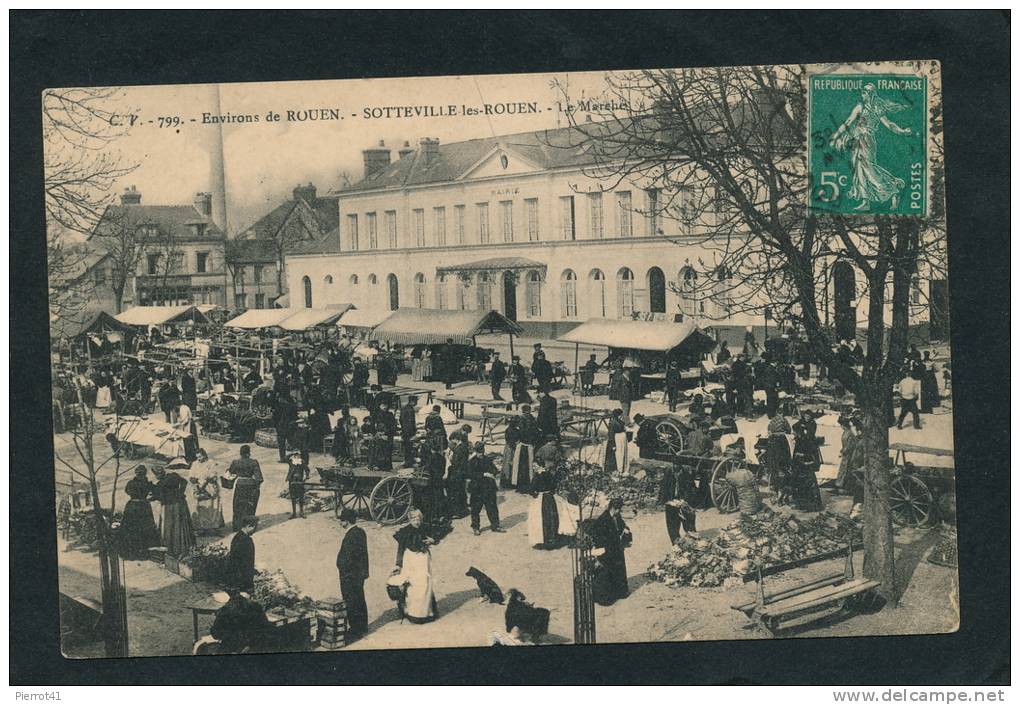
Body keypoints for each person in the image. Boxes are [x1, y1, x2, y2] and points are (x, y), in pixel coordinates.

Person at [391, 509, 438, 624]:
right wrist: (398, 564)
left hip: (423, 560)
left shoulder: (425, 528)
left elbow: (438, 534)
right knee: (413, 585)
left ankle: (426, 613)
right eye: (414, 519)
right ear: (410, 520)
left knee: (425, 584)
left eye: (418, 519)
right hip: (410, 560)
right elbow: (401, 549)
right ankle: (413, 613)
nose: (416, 522)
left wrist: (433, 540)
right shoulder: (405, 532)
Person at [526, 452, 576, 549]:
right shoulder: (549, 474)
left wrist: (534, 494)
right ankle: (552, 538)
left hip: (541, 499)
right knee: (551, 518)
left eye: (535, 466)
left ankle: (544, 539)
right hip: (550, 498)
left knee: (542, 518)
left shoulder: (538, 476)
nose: (533, 468)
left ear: (539, 466)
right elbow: (554, 486)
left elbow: (531, 489)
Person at [336, 508, 369, 641]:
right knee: (360, 598)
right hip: (359, 574)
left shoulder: (351, 536)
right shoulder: (360, 532)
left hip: (350, 575)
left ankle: (355, 629)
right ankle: (363, 626)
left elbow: (348, 558)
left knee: (351, 601)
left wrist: (341, 566)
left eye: (342, 521)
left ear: (347, 521)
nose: (341, 523)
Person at [591, 498, 632, 605]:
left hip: (616, 547)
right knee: (610, 570)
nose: (619, 512)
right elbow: (597, 534)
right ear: (613, 508)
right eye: (618, 509)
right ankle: (611, 594)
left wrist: (625, 529)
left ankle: (621, 592)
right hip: (608, 549)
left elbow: (622, 525)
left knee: (619, 569)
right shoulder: (603, 519)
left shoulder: (616, 516)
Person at [153, 460, 196, 558]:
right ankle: (185, 546)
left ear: (159, 474)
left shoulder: (160, 484)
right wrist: (180, 492)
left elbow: (159, 496)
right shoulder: (173, 475)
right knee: (181, 525)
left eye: (156, 475)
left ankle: (175, 548)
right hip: (180, 503)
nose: (156, 477)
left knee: (172, 526)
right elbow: (184, 482)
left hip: (170, 507)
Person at [210, 589, 272, 654]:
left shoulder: (225, 610)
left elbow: (215, 633)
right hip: (255, 646)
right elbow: (266, 627)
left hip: (233, 647)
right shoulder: (255, 605)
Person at [117, 465, 160, 560]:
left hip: (131, 506)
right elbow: (156, 491)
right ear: (145, 474)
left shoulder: (130, 483)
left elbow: (127, 491)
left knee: (130, 529)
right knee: (143, 529)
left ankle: (130, 552)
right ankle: (142, 552)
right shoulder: (147, 483)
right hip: (143, 506)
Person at [467, 441, 502, 536]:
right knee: (475, 509)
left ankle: (495, 525)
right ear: (475, 451)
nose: (481, 454)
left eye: (482, 451)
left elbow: (494, 469)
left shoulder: (487, 459)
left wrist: (493, 472)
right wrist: (483, 474)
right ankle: (476, 527)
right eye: (479, 452)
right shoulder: (472, 461)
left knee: (492, 507)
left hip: (488, 488)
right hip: (477, 489)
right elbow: (469, 474)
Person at [227, 445, 263, 531]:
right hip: (251, 485)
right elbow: (259, 477)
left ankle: (237, 526)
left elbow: (230, 473)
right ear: (249, 453)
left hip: (240, 484)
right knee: (250, 505)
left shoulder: (235, 462)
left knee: (238, 505)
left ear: (240, 453)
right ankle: (248, 526)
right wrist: (257, 486)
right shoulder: (254, 462)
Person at [189, 449, 225, 533]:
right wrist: (194, 481)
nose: (199, 459)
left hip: (210, 488)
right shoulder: (194, 464)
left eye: (200, 456)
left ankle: (212, 527)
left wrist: (206, 480)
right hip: (199, 488)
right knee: (201, 508)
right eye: (197, 457)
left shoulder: (211, 462)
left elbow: (214, 474)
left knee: (211, 507)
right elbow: (191, 475)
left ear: (204, 455)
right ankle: (201, 527)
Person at [790, 421, 824, 511]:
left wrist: (802, 455)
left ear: (799, 432)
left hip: (806, 467)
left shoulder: (806, 440)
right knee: (801, 486)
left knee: (807, 487)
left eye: (794, 432)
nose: (793, 433)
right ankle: (801, 504)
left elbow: (812, 455)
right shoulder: (798, 440)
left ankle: (810, 506)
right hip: (800, 467)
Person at [765, 411, 794, 505]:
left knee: (773, 467)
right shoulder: (784, 420)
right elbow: (789, 430)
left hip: (772, 442)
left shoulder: (772, 421)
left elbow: (768, 430)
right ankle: (782, 495)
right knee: (783, 465)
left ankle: (775, 491)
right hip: (781, 441)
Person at [510, 405, 540, 492]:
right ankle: (529, 484)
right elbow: (536, 432)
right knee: (529, 466)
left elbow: (519, 432)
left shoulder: (521, 419)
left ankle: (520, 486)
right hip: (530, 445)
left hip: (522, 445)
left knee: (520, 466)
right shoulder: (533, 419)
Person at [227, 515, 258, 592]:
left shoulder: (236, 537)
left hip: (236, 577)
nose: (255, 530)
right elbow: (247, 563)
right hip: (243, 581)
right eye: (254, 528)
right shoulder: (246, 541)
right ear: (249, 526)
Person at [446, 431, 470, 518]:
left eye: (452, 440)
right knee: (461, 491)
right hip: (462, 472)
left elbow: (455, 462)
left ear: (456, 439)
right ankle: (464, 509)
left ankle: (457, 512)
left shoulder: (458, 449)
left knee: (456, 492)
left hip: (457, 473)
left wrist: (450, 459)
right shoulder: (464, 447)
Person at [272, 386, 298, 464]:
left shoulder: (278, 404)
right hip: (290, 425)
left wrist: (275, 424)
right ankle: (296, 457)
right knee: (292, 441)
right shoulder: (292, 403)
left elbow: (275, 416)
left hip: (281, 426)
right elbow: (295, 415)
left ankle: (282, 458)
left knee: (281, 442)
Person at [603, 408, 628, 475]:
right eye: (620, 415)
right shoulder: (612, 423)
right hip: (615, 441)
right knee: (614, 456)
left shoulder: (620, 421)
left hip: (620, 441)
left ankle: (621, 468)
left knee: (621, 454)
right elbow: (611, 434)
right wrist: (613, 444)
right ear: (617, 415)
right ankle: (614, 470)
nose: (621, 416)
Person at [285, 452, 309, 519]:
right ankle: (294, 513)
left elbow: (307, 470)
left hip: (299, 481)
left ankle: (301, 512)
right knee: (293, 497)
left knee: (301, 497)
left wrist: (306, 477)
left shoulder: (302, 462)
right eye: (295, 455)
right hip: (292, 481)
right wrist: (291, 453)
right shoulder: (291, 461)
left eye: (298, 455)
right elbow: (285, 458)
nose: (297, 456)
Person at [400, 396, 419, 468]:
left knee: (407, 448)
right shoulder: (410, 410)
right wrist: (412, 433)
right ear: (413, 401)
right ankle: (409, 463)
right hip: (409, 432)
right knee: (410, 448)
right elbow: (410, 423)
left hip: (404, 431)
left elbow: (401, 420)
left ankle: (407, 461)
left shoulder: (404, 408)